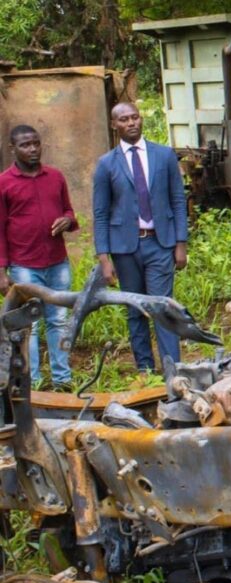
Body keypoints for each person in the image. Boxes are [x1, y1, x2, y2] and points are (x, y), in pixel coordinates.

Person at [93, 102, 189, 372]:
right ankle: (145, 370)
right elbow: (100, 213)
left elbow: (178, 201)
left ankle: (173, 369)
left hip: (160, 244)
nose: (132, 123)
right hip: (125, 249)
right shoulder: (106, 164)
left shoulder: (164, 156)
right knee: (135, 310)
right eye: (124, 119)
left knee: (162, 307)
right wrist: (104, 258)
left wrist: (180, 243)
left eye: (135, 117)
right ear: (115, 125)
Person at [0, 126, 77, 389]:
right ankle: (32, 383)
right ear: (13, 149)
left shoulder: (55, 177)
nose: (32, 149)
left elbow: (68, 209)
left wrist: (67, 220)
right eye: (25, 145)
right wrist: (1, 270)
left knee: (58, 320)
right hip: (23, 266)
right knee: (28, 326)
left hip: (57, 262)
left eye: (36, 143)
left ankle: (62, 380)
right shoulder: (4, 183)